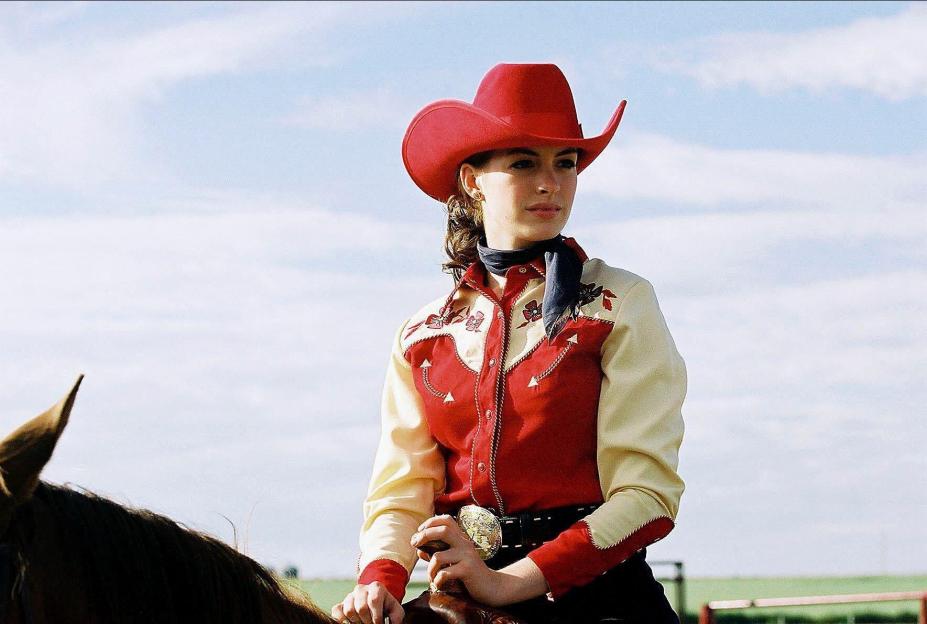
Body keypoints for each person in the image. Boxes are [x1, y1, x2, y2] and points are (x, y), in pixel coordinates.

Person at [333, 63, 686, 624]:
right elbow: (402, 488)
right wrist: (380, 579)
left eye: (565, 163)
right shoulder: (424, 332)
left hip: (597, 598)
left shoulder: (620, 302)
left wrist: (506, 584)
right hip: (458, 591)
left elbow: (646, 497)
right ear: (473, 180)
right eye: (524, 163)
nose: (552, 183)